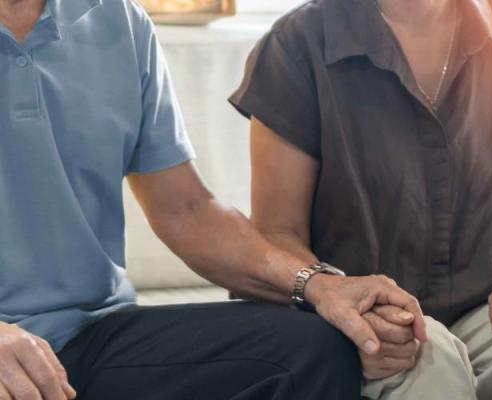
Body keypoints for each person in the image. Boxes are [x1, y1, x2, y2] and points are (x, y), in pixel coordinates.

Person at [0, 0, 427, 398]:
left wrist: (318, 285)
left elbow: (187, 210)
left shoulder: (118, 20)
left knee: (317, 346)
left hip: (92, 334)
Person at [228, 0, 492, 398]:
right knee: (432, 361)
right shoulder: (297, 44)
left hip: (487, 312)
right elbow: (276, 234)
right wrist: (344, 302)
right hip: (352, 317)